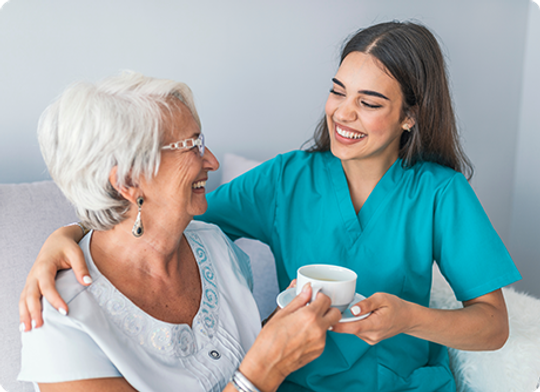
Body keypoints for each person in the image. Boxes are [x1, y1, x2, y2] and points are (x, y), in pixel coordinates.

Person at [19, 21, 521, 391]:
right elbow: (162, 217)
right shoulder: (288, 179)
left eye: (369, 102)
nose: (343, 114)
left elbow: (493, 325)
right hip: (293, 383)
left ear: (410, 116)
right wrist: (66, 236)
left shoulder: (441, 193)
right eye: (337, 91)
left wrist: (408, 318)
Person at [17, 71, 341, 392]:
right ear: (129, 181)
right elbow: (255, 371)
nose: (211, 161)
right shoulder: (60, 318)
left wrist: (284, 331)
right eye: (193, 146)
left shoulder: (214, 245)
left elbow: (235, 363)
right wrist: (266, 368)